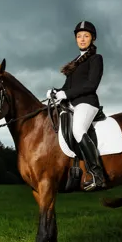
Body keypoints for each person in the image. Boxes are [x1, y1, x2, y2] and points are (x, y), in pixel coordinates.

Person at [46, 20, 105, 191]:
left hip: (87, 103)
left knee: (78, 130)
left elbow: (91, 85)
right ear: (76, 39)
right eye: (79, 36)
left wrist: (65, 94)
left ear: (92, 38)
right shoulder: (75, 61)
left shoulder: (96, 59)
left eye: (86, 36)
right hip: (72, 103)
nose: (82, 39)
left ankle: (97, 174)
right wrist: (55, 92)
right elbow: (67, 88)